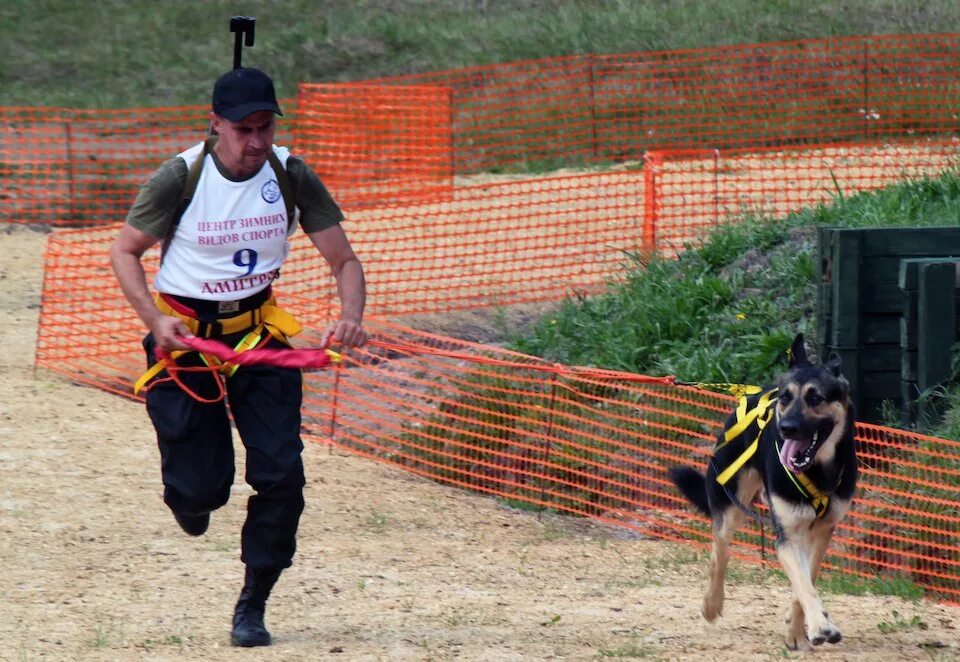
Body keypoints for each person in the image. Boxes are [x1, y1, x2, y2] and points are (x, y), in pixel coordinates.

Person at [110, 66, 366, 648]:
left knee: (281, 476)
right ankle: (190, 497)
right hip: (184, 341)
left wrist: (350, 315)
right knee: (202, 491)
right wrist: (154, 320)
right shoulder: (180, 177)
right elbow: (125, 251)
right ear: (216, 124)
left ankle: (253, 603)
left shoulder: (289, 172)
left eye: (266, 127)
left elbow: (344, 261)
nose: (256, 142)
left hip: (260, 338)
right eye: (245, 129)